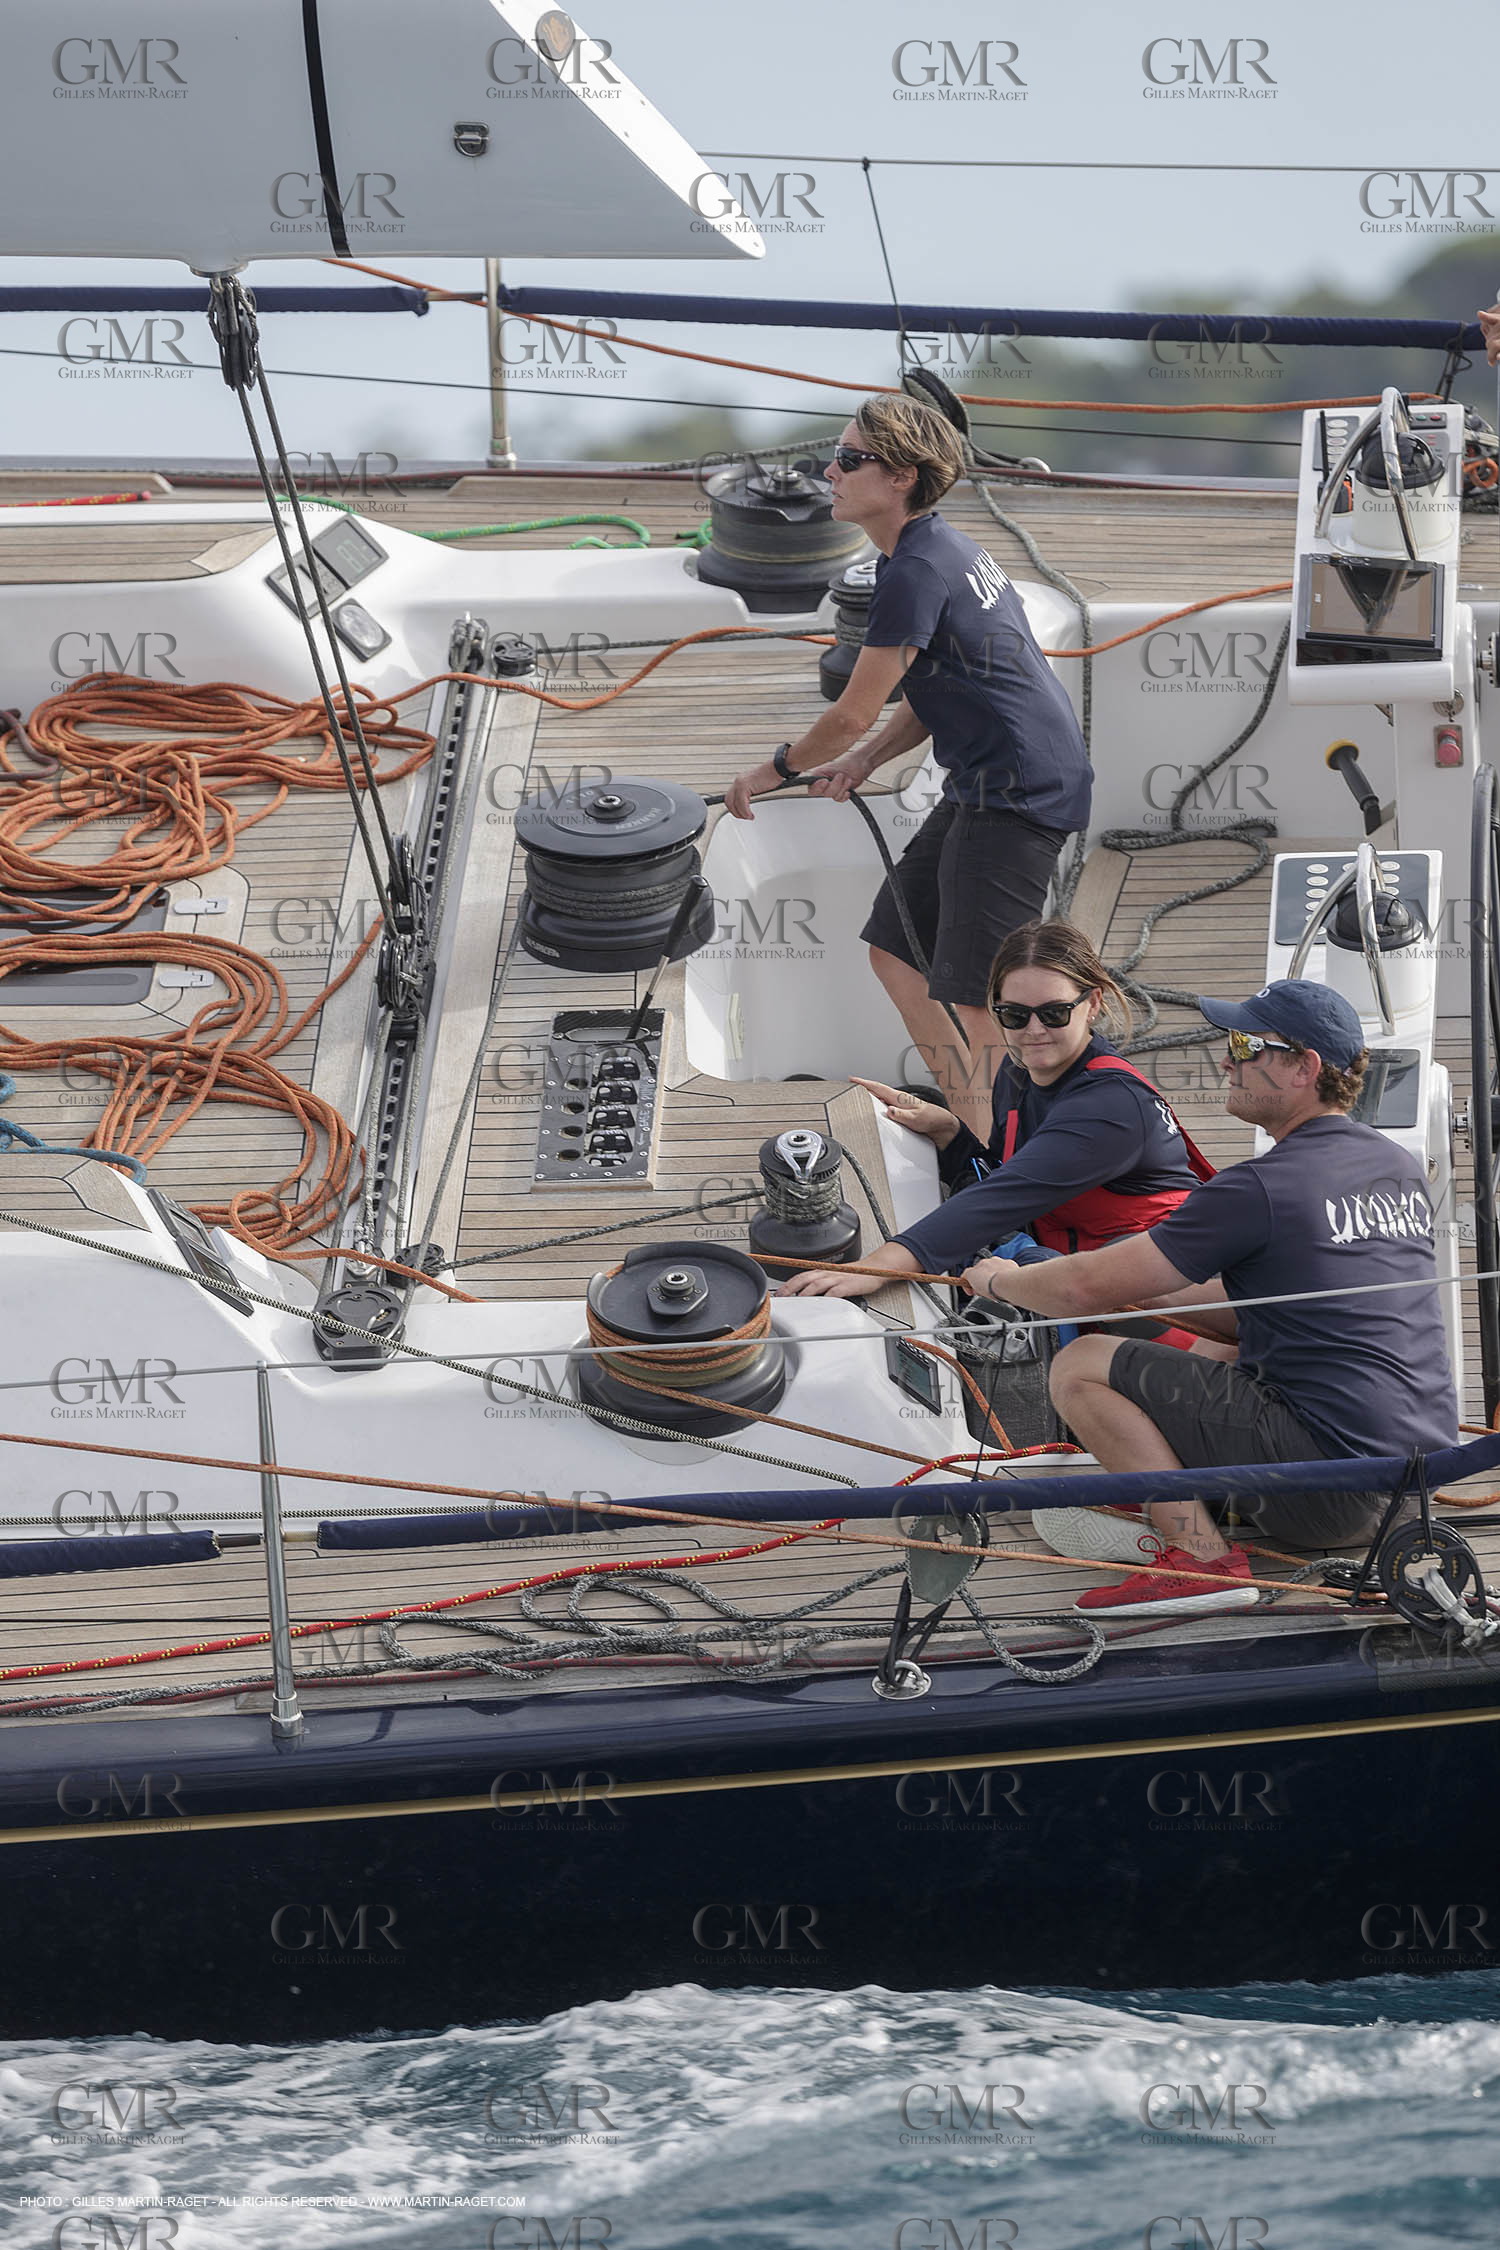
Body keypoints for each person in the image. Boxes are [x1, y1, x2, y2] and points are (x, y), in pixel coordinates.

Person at [961, 979, 1459, 1617]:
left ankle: (1201, 1561)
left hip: (1322, 1493)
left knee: (1081, 1367)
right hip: (1411, 1487)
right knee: (1215, 1351)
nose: (1227, 1058)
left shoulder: (1260, 1186)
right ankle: (1171, 1487)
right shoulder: (1394, 1165)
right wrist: (1135, 1297)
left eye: (1248, 1045)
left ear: (1304, 1068)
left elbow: (1081, 1288)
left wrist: (1000, 1278)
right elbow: (1265, 1308)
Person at [724, 393, 1092, 1139]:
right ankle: (976, 1123)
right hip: (988, 783)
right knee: (895, 954)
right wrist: (864, 761)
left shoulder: (914, 573)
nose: (830, 470)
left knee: (983, 1000)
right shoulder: (939, 551)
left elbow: (850, 710)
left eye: (850, 459)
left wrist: (773, 771)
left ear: (902, 477)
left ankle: (1010, 1161)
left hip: (1018, 793)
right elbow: (932, 688)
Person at [779, 919, 1208, 1304]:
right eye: (1014, 1014)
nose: (1034, 1031)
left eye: (1055, 1013)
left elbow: (1003, 1198)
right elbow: (1012, 1173)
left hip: (1156, 1293)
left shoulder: (1111, 1108)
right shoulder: (1018, 1071)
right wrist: (951, 1134)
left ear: (1092, 1004)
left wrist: (874, 1269)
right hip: (1069, 1253)